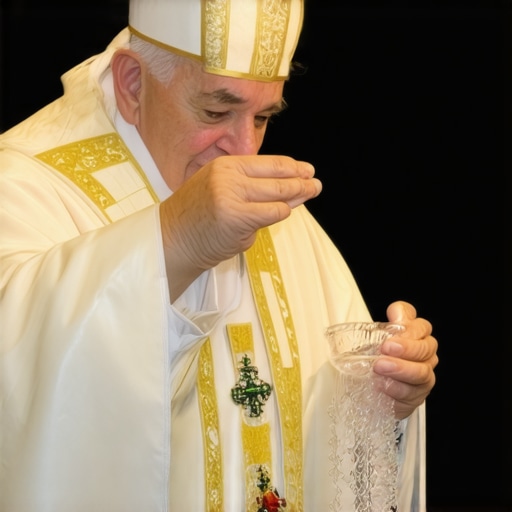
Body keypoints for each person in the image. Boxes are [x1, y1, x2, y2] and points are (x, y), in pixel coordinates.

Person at [0, 0, 438, 510]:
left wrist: (384, 398)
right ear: (133, 84)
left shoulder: (279, 214)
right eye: (216, 111)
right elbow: (20, 381)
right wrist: (174, 241)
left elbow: (316, 425)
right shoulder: (24, 186)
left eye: (264, 116)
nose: (244, 148)